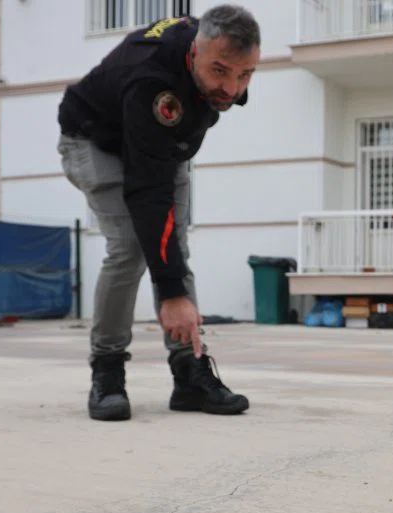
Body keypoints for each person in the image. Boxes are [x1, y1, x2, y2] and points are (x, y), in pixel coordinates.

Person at [56, 5, 259, 421]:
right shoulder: (153, 79)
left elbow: (161, 204)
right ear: (195, 52)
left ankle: (188, 373)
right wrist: (172, 293)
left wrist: (173, 282)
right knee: (130, 246)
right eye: (221, 71)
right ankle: (107, 371)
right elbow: (148, 192)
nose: (232, 88)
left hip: (162, 143)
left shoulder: (218, 66)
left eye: (245, 75)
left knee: (173, 242)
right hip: (94, 138)